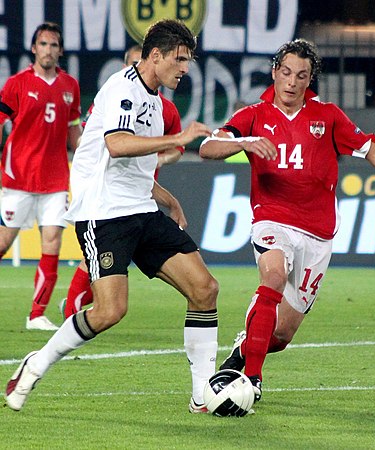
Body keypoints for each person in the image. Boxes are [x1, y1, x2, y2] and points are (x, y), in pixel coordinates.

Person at [199, 38, 375, 404]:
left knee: (282, 335)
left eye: (302, 76)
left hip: (318, 233)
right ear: (275, 72)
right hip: (272, 218)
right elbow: (207, 149)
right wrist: (245, 142)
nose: (292, 82)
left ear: (310, 80)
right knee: (273, 276)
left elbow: (371, 151)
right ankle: (252, 378)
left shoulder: (327, 116)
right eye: (287, 73)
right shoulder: (253, 115)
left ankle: (244, 350)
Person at [5, 19, 218, 414]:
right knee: (109, 311)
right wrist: (178, 138)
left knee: (205, 290)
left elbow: (134, 165)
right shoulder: (124, 88)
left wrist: (165, 196)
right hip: (103, 214)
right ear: (156, 55)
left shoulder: (154, 99)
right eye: (180, 58)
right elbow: (117, 145)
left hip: (140, 208)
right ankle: (36, 364)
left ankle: (203, 395)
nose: (185, 68)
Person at [60, 44, 185, 319]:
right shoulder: (117, 94)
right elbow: (105, 140)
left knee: (202, 286)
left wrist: (162, 160)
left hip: (141, 193)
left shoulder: (165, 109)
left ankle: (77, 314)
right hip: (109, 196)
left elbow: (177, 149)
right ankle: (70, 316)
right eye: (130, 64)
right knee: (102, 274)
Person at [0, 22, 82, 331]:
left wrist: (85, 156)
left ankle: (36, 315)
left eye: (53, 45)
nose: (48, 50)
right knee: (3, 243)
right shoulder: (16, 84)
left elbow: (73, 128)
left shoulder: (69, 86)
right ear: (34, 48)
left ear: (60, 50)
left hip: (55, 179)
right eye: (43, 44)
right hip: (18, 177)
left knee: (52, 241)